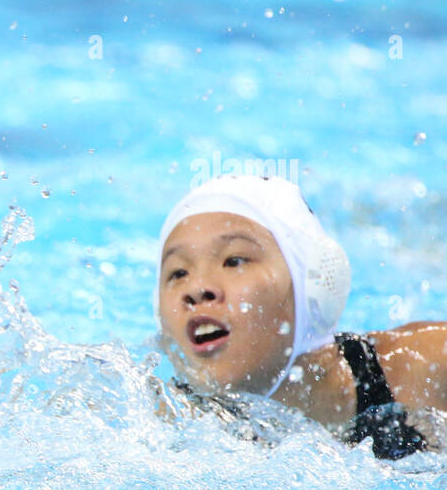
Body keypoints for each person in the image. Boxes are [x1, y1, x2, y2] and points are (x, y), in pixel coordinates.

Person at [155, 174, 447, 459]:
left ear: (314, 282)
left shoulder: (425, 368)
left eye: (234, 261)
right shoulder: (161, 425)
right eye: (178, 273)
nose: (196, 288)